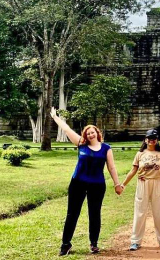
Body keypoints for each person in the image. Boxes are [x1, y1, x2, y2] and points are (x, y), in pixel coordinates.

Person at [49, 107, 122, 256]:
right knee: (72, 214)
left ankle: (94, 244)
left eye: (92, 131)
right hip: (78, 183)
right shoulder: (81, 144)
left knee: (95, 214)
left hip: (97, 185)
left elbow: (112, 168)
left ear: (97, 133)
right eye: (87, 132)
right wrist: (56, 118)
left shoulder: (106, 148)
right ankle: (65, 244)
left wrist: (117, 184)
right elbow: (67, 129)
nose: (90, 134)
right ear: (85, 135)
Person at [120, 129, 160, 251]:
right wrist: (123, 185)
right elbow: (133, 170)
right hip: (143, 183)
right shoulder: (140, 154)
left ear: (157, 140)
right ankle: (135, 241)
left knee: (159, 212)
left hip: (158, 183)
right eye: (149, 138)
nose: (152, 140)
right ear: (145, 140)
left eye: (154, 138)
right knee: (140, 212)